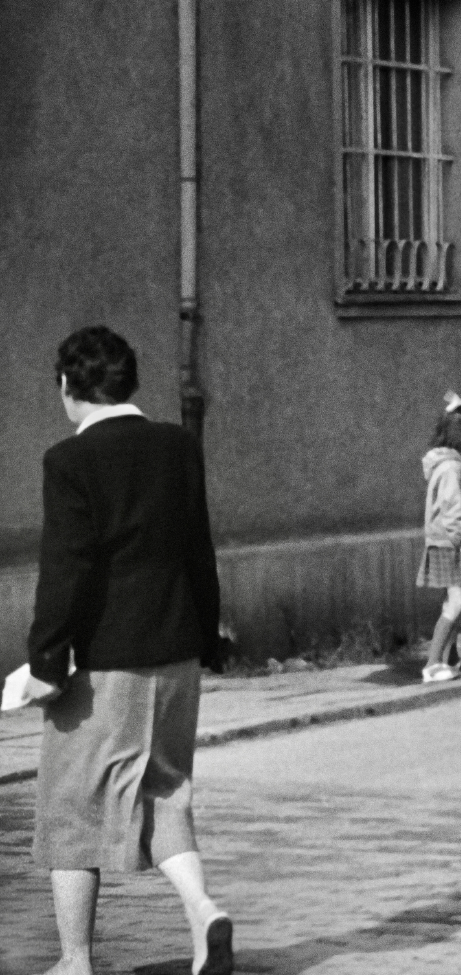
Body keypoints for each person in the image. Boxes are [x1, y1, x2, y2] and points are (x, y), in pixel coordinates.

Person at [23, 326, 235, 975]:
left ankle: (75, 960)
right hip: (176, 654)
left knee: (69, 808)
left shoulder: (69, 461)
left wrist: (46, 663)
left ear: (69, 386)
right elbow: (198, 549)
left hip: (105, 665)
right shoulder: (177, 447)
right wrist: (208, 637)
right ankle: (203, 910)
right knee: (166, 792)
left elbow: (67, 569)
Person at [419, 392, 461, 683]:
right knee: (456, 604)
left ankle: (452, 660)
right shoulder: (451, 469)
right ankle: (432, 665)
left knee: (451, 602)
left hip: (447, 544)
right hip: (449, 545)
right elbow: (452, 511)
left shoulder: (447, 465)